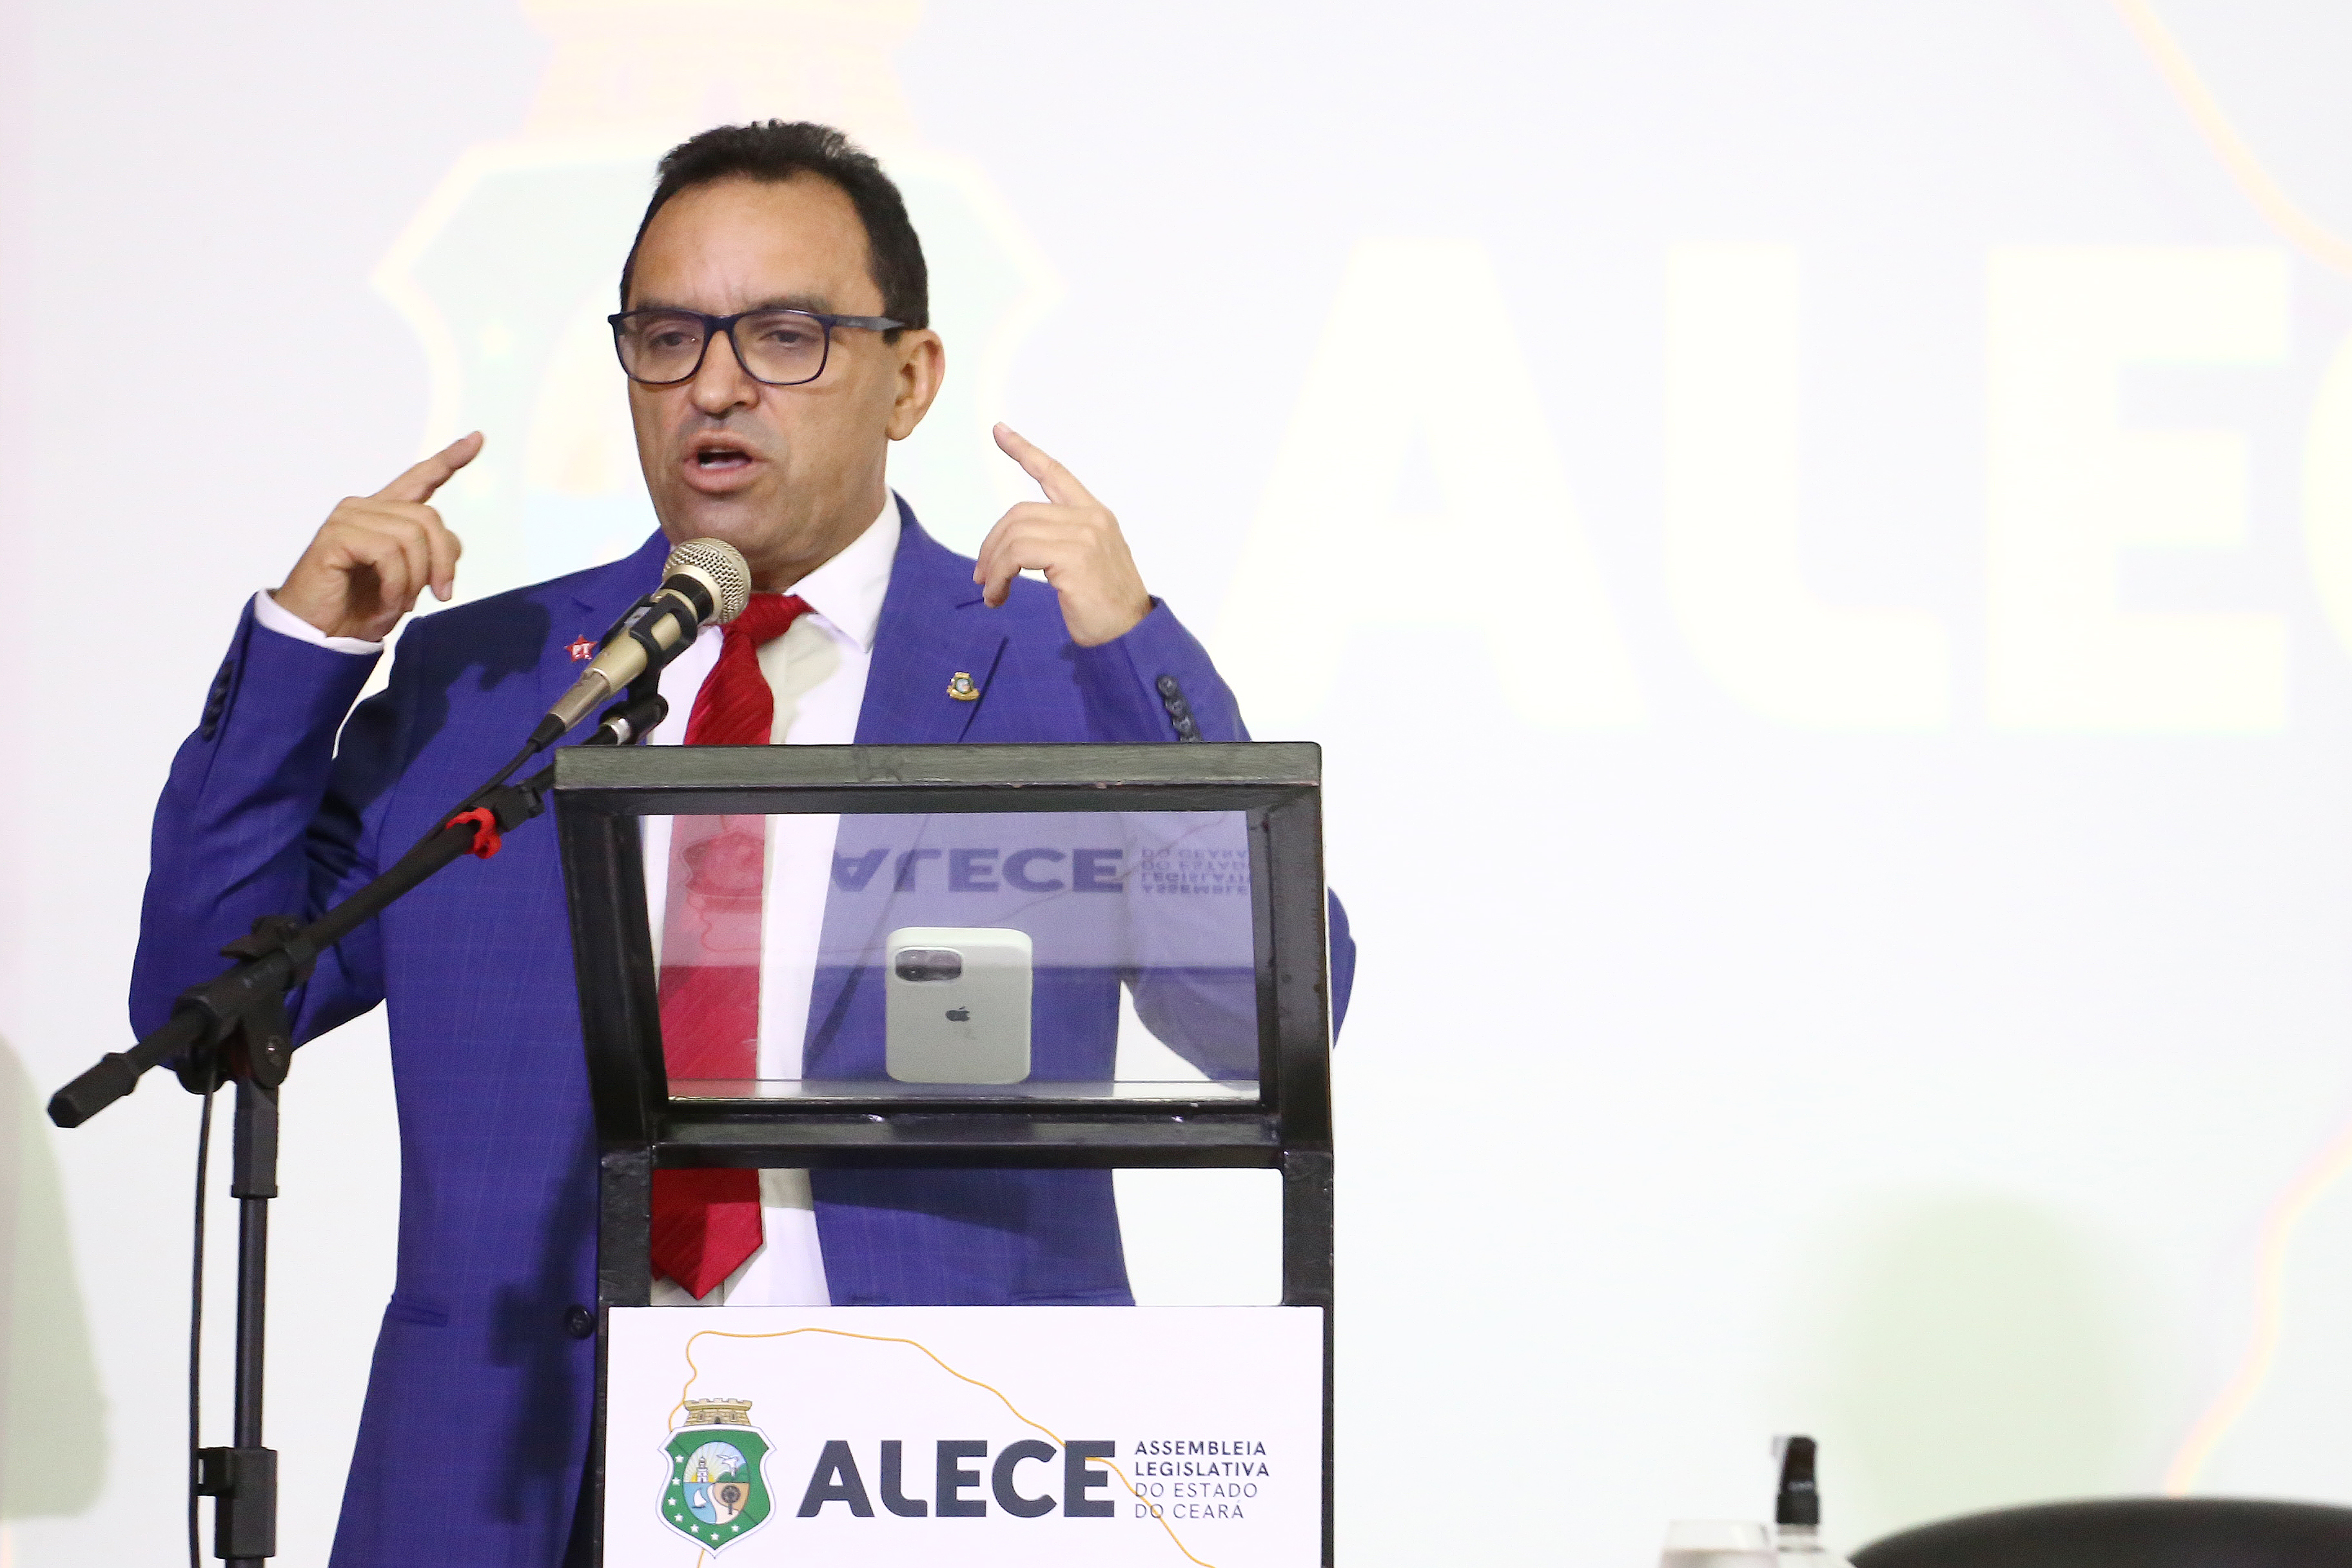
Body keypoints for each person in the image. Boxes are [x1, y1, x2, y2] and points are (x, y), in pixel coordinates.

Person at [130, 120, 1355, 1567]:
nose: (714, 385)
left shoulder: (1051, 666)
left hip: (945, 1474)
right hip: (525, 1481)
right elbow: (210, 1005)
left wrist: (1135, 657)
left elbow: (1254, 1018)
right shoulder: (487, 683)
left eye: (785, 336)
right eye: (668, 338)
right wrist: (305, 651)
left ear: (911, 378)